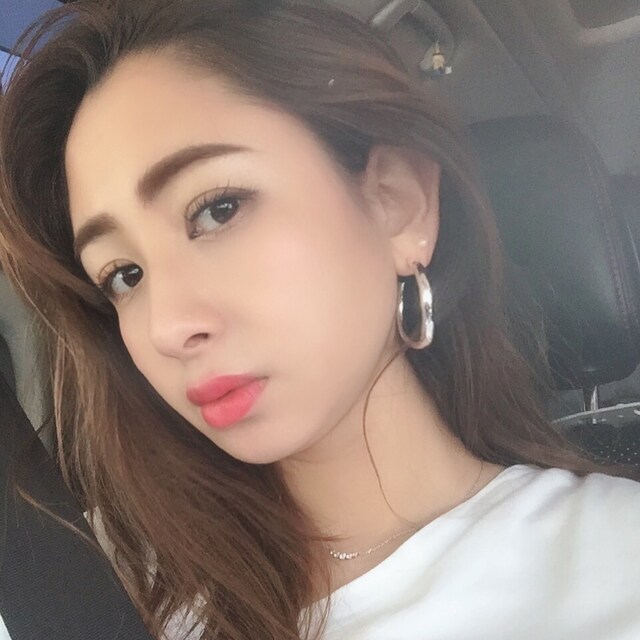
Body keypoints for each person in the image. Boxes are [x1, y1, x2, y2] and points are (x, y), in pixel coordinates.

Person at [0, 1, 638, 639]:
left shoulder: (614, 564)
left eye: (218, 210)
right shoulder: (108, 581)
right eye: (123, 275)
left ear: (397, 203)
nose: (167, 327)